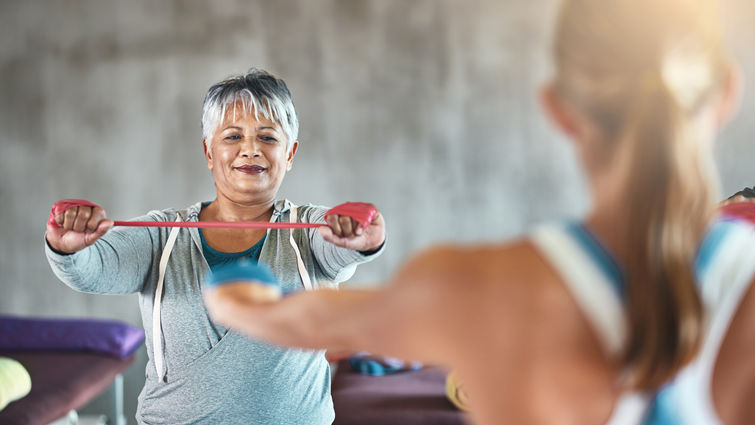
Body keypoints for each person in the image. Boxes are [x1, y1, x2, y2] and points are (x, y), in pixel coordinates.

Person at [202, 1, 755, 424]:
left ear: (558, 109)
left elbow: (301, 320)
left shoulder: (474, 285)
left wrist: (239, 298)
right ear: (727, 93)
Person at [44, 68, 386, 424]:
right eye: (233, 136)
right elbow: (94, 269)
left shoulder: (310, 230)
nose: (250, 149)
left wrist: (362, 239)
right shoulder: (162, 234)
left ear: (290, 153)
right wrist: (69, 248)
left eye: (267, 138)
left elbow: (342, 249)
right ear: (209, 151)